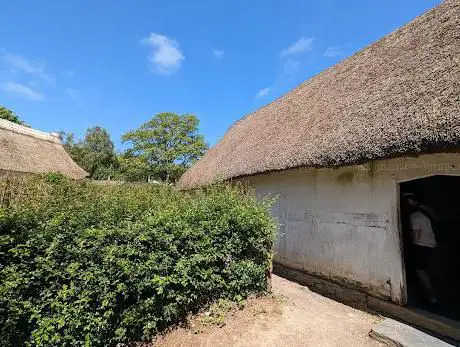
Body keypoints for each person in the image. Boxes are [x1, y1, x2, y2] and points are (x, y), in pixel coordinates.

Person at [403, 192, 438, 304]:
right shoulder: (428, 210)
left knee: (420, 271)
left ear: (410, 201)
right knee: (427, 269)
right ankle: (433, 292)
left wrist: (407, 242)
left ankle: (431, 296)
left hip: (421, 245)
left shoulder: (415, 216)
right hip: (432, 244)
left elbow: (416, 235)